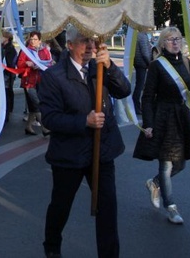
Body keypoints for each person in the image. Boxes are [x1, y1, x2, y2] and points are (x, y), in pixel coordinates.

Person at [38, 24, 131, 258]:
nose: (90, 47)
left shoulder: (100, 69)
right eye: (83, 41)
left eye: (92, 41)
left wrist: (110, 67)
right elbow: (50, 118)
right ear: (70, 45)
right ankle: (52, 247)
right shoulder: (53, 77)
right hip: (70, 154)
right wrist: (84, 121)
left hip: (102, 151)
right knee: (61, 205)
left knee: (107, 209)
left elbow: (124, 91)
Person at [133, 26, 190, 225]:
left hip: (182, 117)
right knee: (166, 163)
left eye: (178, 39)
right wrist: (148, 123)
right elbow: (147, 97)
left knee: (181, 163)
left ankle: (154, 183)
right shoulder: (157, 65)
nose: (175, 42)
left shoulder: (188, 63)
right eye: (171, 39)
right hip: (163, 116)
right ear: (163, 43)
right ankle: (171, 207)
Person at [17, 30, 52, 135]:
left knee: (32, 106)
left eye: (35, 39)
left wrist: (40, 66)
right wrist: (27, 63)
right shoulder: (26, 51)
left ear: (40, 40)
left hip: (41, 81)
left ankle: (28, 127)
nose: (32, 41)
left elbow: (49, 63)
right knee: (36, 103)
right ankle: (45, 128)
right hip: (29, 82)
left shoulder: (44, 51)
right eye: (31, 39)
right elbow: (19, 64)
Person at [133, 30, 152, 115]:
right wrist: (150, 63)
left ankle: (136, 105)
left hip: (138, 62)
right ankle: (136, 106)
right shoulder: (142, 36)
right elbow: (145, 53)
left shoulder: (137, 35)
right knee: (140, 86)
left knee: (139, 85)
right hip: (142, 63)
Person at [1, 30, 18, 122]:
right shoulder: (3, 47)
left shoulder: (10, 49)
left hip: (7, 74)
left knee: (6, 93)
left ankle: (7, 113)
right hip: (5, 74)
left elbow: (10, 63)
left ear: (6, 38)